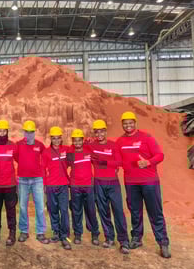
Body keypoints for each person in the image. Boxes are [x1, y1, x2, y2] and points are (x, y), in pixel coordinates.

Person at [116, 111, 171, 258]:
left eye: (130, 122)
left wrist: (148, 162)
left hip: (149, 182)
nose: (128, 125)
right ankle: (136, 238)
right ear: (122, 124)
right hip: (130, 183)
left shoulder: (146, 138)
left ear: (135, 123)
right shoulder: (120, 141)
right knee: (135, 211)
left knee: (155, 212)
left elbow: (160, 155)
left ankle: (163, 243)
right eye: (125, 123)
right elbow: (115, 158)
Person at [88, 120, 130, 254]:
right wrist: (86, 141)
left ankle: (124, 241)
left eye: (102, 131)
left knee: (118, 211)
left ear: (106, 131)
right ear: (94, 133)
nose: (99, 134)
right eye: (96, 131)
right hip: (98, 182)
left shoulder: (113, 145)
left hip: (113, 183)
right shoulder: (91, 145)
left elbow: (119, 162)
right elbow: (78, 146)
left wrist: (104, 162)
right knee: (103, 211)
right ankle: (109, 237)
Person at [14, 120, 49, 244]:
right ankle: (24, 231)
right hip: (23, 180)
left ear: (34, 132)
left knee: (40, 207)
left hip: (37, 180)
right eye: (27, 132)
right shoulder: (18, 144)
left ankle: (40, 233)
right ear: (24, 132)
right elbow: (16, 157)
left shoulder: (40, 145)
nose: (29, 134)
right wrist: (25, 166)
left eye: (31, 132)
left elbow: (45, 158)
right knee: (23, 207)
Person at [67, 129, 100, 246]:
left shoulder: (88, 151)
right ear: (72, 142)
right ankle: (77, 234)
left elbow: (96, 154)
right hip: (75, 186)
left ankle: (95, 233)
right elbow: (65, 162)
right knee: (76, 211)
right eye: (74, 141)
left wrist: (87, 142)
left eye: (79, 140)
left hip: (88, 186)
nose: (77, 143)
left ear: (82, 140)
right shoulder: (70, 153)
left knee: (91, 210)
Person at [42, 126, 71, 250]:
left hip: (64, 185)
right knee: (53, 210)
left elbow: (79, 151)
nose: (56, 140)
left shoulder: (67, 150)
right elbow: (42, 170)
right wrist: (44, 184)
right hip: (51, 185)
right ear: (51, 139)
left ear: (61, 138)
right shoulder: (46, 153)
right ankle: (56, 233)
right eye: (53, 138)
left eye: (58, 138)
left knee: (64, 210)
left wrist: (88, 141)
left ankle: (65, 236)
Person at [0, 120, 18, 246]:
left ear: (7, 131)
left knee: (11, 210)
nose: (2, 133)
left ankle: (12, 233)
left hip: (10, 185)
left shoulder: (13, 145)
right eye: (0, 130)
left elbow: (20, 160)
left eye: (4, 130)